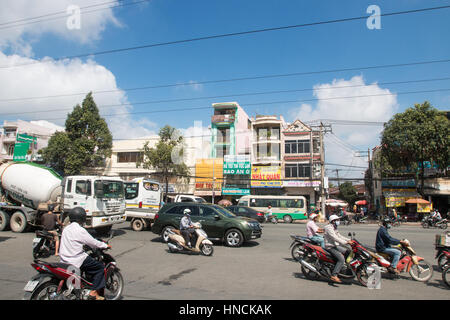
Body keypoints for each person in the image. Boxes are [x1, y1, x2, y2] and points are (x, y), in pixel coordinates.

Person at [59, 207, 111, 300]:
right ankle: (93, 292)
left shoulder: (66, 229)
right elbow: (93, 242)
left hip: (63, 259)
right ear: (82, 218)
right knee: (100, 268)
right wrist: (105, 245)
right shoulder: (80, 230)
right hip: (76, 259)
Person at [323, 215, 353, 283]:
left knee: (348, 251)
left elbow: (339, 236)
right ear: (333, 221)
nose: (338, 221)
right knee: (341, 259)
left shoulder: (334, 227)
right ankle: (334, 275)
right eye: (337, 220)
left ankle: (345, 268)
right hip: (330, 247)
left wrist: (349, 240)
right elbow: (335, 238)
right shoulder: (329, 228)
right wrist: (345, 243)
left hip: (334, 246)